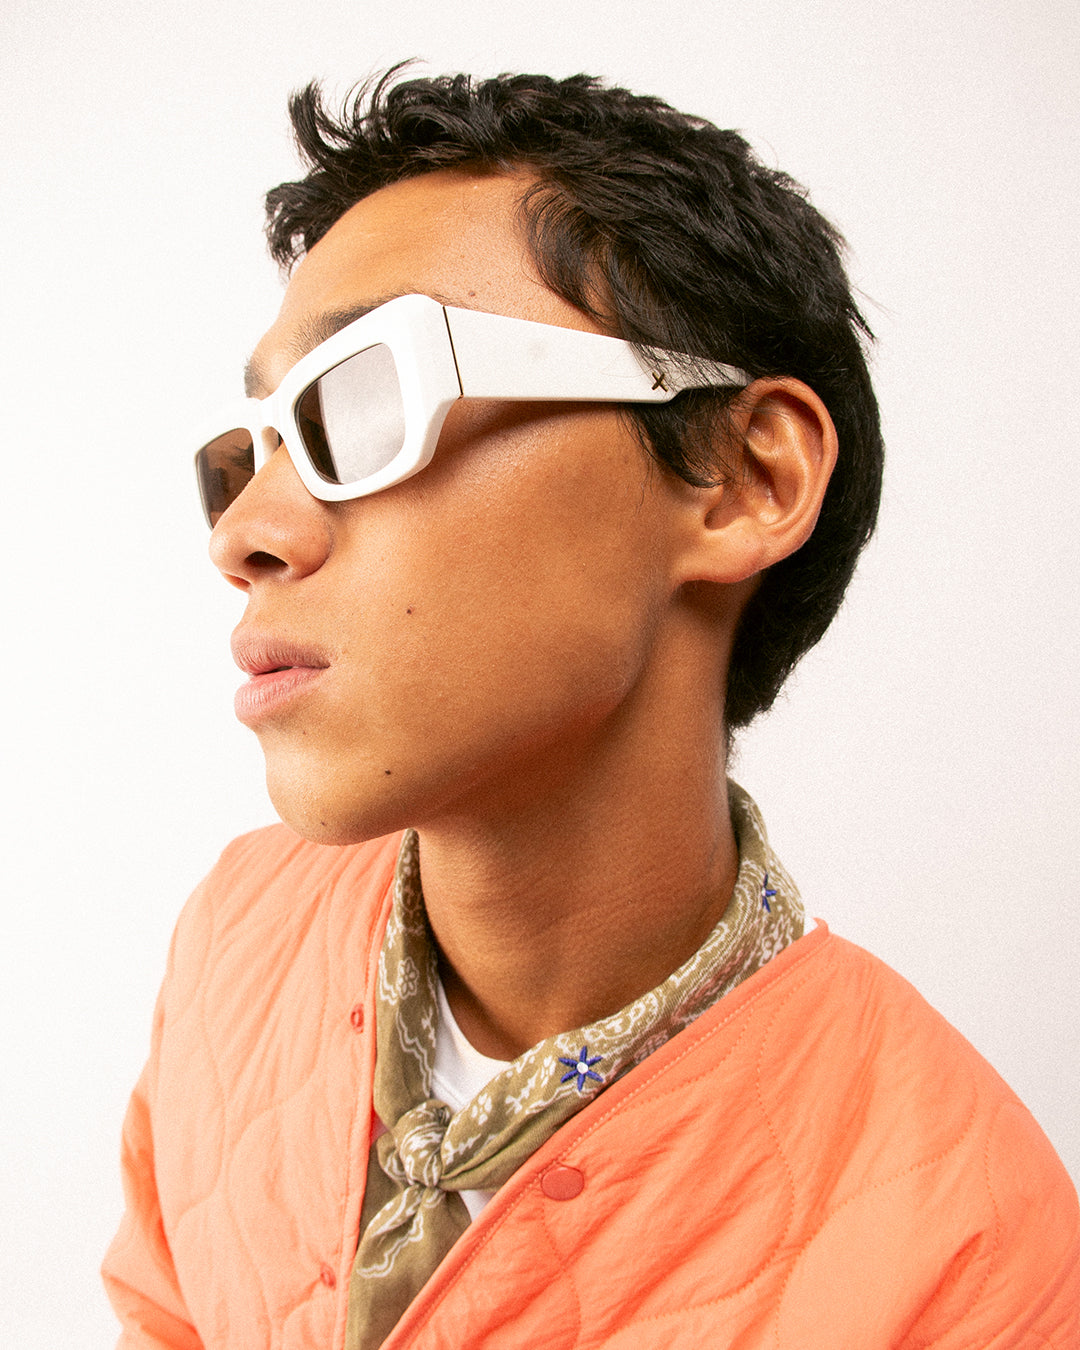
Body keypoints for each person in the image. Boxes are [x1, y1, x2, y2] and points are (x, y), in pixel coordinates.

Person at [103, 69, 1079, 1349]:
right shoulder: (242, 925)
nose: (245, 532)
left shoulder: (975, 1255)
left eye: (368, 399)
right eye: (254, 454)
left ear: (741, 477)